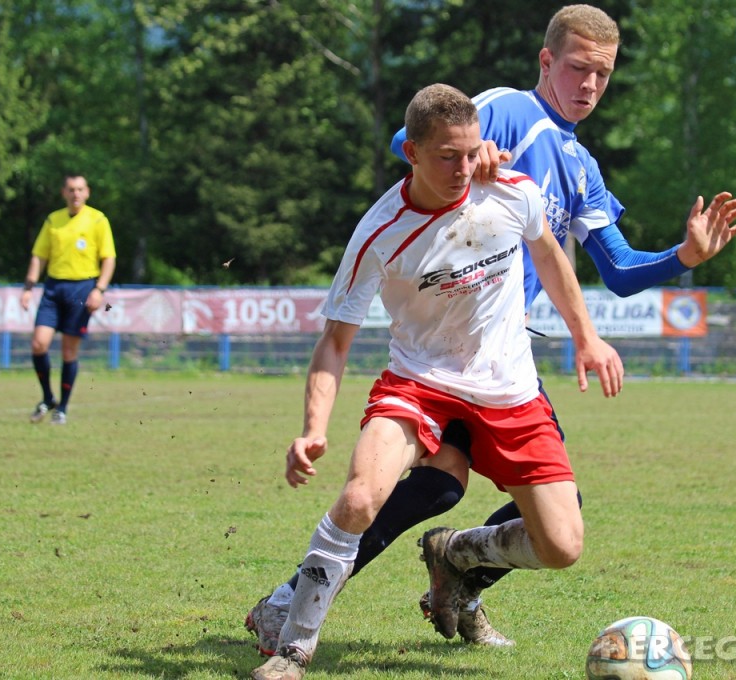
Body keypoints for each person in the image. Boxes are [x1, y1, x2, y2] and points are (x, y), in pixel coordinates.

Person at [246, 3, 736, 653]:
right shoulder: (508, 109)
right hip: (439, 352)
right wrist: (474, 154)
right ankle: (305, 602)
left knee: (485, 499)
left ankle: (451, 568)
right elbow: (415, 140)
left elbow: (620, 270)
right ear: (546, 61)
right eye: (578, 68)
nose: (590, 84)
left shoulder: (581, 166)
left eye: (603, 74)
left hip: (501, 356)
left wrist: (682, 257)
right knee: (430, 487)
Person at [250, 83, 624, 680]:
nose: (464, 168)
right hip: (420, 384)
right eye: (448, 156)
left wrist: (587, 336)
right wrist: (312, 428)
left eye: (472, 153)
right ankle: (293, 645)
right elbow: (335, 341)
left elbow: (551, 258)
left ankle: (458, 553)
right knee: (361, 496)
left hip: (509, 391)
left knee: (562, 545)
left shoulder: (511, 191)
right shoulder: (380, 231)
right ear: (412, 152)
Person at [20, 174, 116, 425]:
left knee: (68, 350)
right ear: (64, 192)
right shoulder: (54, 220)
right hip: (53, 287)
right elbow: (39, 256)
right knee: (39, 344)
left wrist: (99, 290)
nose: (76, 194)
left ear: (87, 192)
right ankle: (48, 397)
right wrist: (29, 287)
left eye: (80, 189)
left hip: (82, 288)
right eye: (71, 189)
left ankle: (61, 408)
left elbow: (108, 258)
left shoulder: (98, 219)